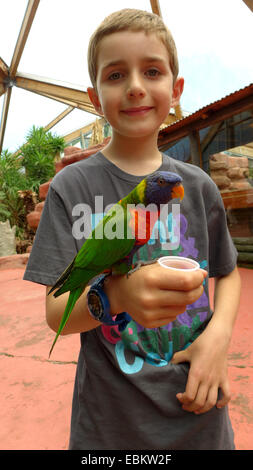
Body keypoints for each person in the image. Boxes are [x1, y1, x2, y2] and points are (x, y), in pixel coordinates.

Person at [24, 9, 241, 450]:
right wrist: (117, 295)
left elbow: (228, 271)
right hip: (109, 425)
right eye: (117, 74)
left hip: (197, 413)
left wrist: (218, 339)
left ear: (175, 90)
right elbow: (55, 311)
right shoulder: (73, 187)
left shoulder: (197, 186)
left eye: (153, 71)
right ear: (94, 95)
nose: (136, 86)